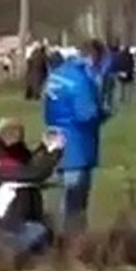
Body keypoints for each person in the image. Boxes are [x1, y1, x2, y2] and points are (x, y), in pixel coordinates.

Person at [44, 42, 109, 235]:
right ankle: (73, 239)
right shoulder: (80, 80)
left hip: (55, 137)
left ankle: (60, 234)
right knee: (76, 198)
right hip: (78, 143)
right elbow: (86, 114)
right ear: (92, 58)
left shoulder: (56, 75)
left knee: (63, 193)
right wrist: (103, 113)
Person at [0, 118, 62, 255]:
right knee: (40, 233)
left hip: (19, 221)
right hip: (5, 228)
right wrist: (54, 151)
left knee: (46, 232)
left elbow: (31, 164)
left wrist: (44, 147)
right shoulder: (0, 162)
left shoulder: (15, 154)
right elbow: (34, 174)